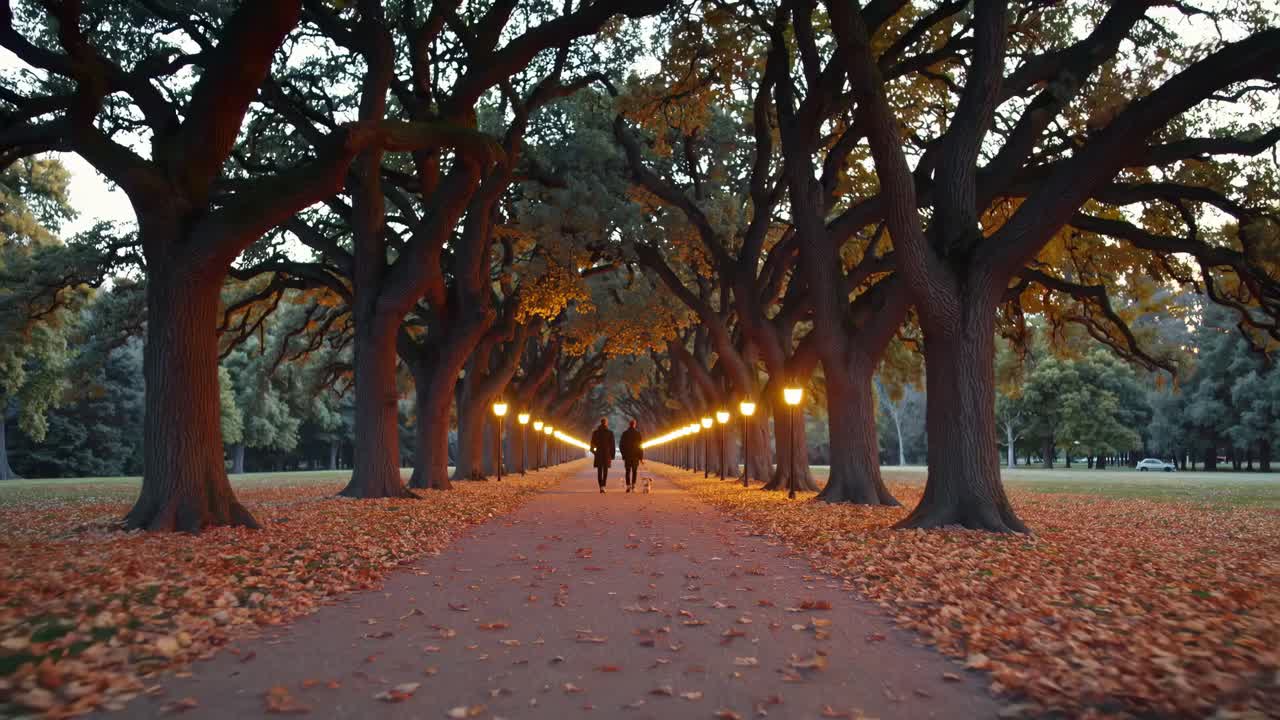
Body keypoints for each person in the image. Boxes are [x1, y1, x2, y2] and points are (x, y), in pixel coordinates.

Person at [589, 418, 615, 493]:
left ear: (601, 423)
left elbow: (592, 444)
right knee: (605, 470)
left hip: (599, 453)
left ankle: (600, 486)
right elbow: (612, 445)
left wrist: (594, 452)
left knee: (599, 470)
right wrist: (612, 455)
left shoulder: (595, 432)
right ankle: (603, 486)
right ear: (606, 423)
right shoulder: (610, 433)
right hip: (607, 453)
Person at [619, 419, 643, 492]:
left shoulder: (625, 433)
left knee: (627, 471)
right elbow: (640, 446)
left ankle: (628, 486)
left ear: (629, 424)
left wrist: (623, 454)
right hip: (635, 455)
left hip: (627, 455)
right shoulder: (638, 433)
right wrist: (641, 457)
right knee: (634, 471)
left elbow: (621, 445)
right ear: (634, 424)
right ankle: (633, 486)